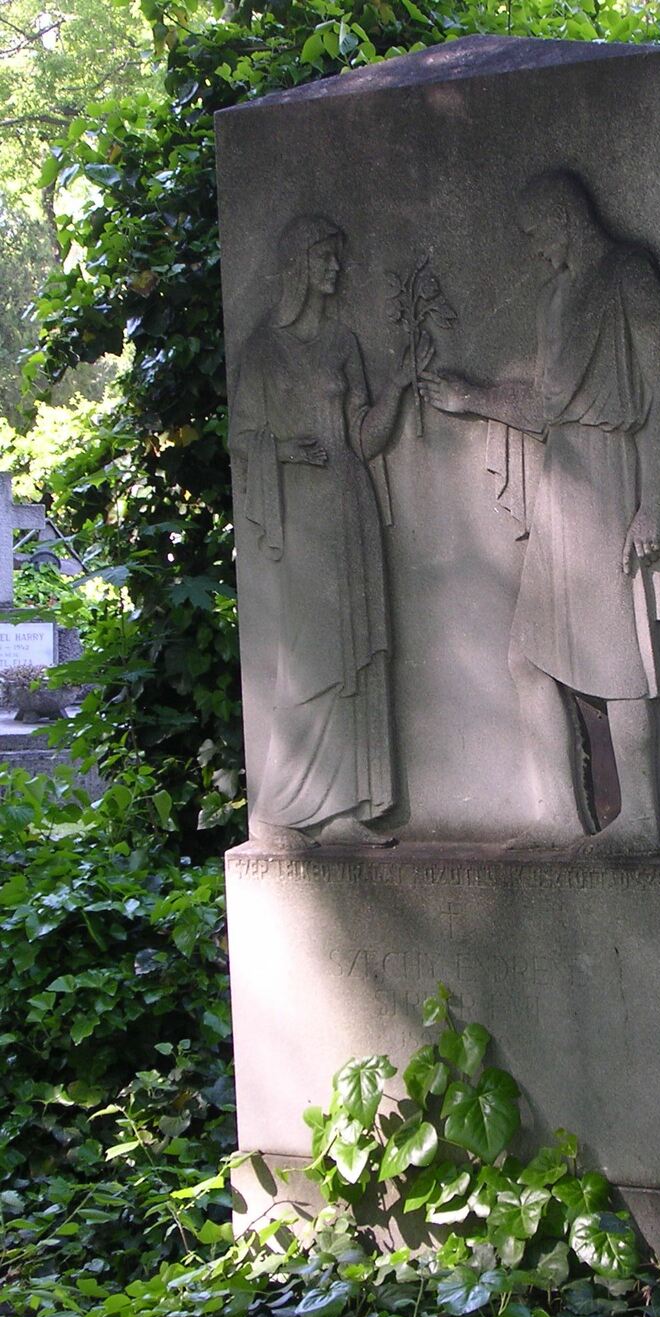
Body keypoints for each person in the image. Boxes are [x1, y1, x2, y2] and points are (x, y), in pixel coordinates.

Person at [421, 172, 660, 855]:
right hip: (563, 482)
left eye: (539, 236)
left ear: (565, 219)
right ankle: (557, 815)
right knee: (527, 657)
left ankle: (641, 821)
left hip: (608, 480)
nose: (538, 252)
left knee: (617, 659)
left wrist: (652, 502)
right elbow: (546, 408)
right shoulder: (556, 296)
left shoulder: (627, 275)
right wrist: (471, 396)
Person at [229, 214, 411, 847]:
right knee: (312, 660)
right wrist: (282, 451)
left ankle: (345, 809)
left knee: (353, 656)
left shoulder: (342, 343)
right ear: (298, 265)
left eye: (336, 257)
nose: (335, 268)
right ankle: (281, 810)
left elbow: (364, 438)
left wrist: (400, 386)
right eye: (324, 257)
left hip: (350, 506)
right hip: (301, 517)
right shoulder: (264, 348)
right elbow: (241, 437)